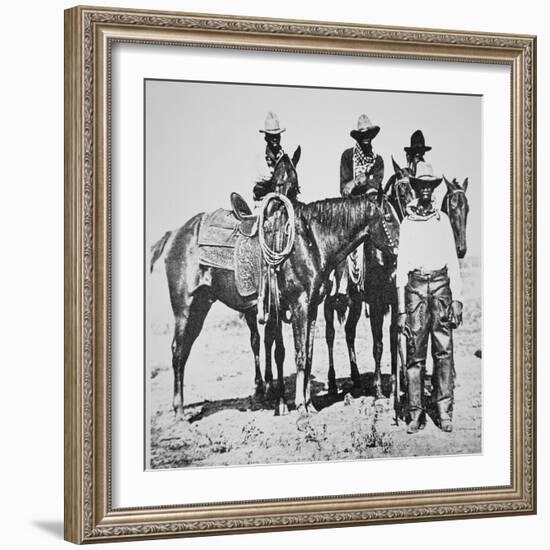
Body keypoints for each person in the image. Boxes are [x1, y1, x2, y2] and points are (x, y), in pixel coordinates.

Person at [396, 162, 463, 434]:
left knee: (444, 350)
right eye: (421, 185)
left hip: (440, 288)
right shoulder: (408, 223)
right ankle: (415, 413)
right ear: (415, 189)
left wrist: (456, 298)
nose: (425, 190)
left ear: (433, 189)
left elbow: (452, 261)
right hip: (415, 291)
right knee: (415, 353)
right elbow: (401, 268)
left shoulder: (443, 221)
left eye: (429, 186)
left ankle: (444, 411)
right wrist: (401, 310)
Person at [337, 114, 384, 298]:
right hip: (352, 209)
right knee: (341, 244)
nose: (366, 137)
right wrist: (362, 180)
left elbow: (376, 185)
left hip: (371, 209)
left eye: (369, 134)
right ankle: (339, 284)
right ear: (357, 137)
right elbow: (345, 189)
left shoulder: (378, 160)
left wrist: (360, 182)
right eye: (363, 134)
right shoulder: (348, 156)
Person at [253, 112, 287, 201]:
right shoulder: (261, 159)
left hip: (284, 200)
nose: (275, 139)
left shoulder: (285, 158)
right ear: (266, 138)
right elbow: (261, 186)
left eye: (277, 135)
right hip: (265, 201)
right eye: (272, 136)